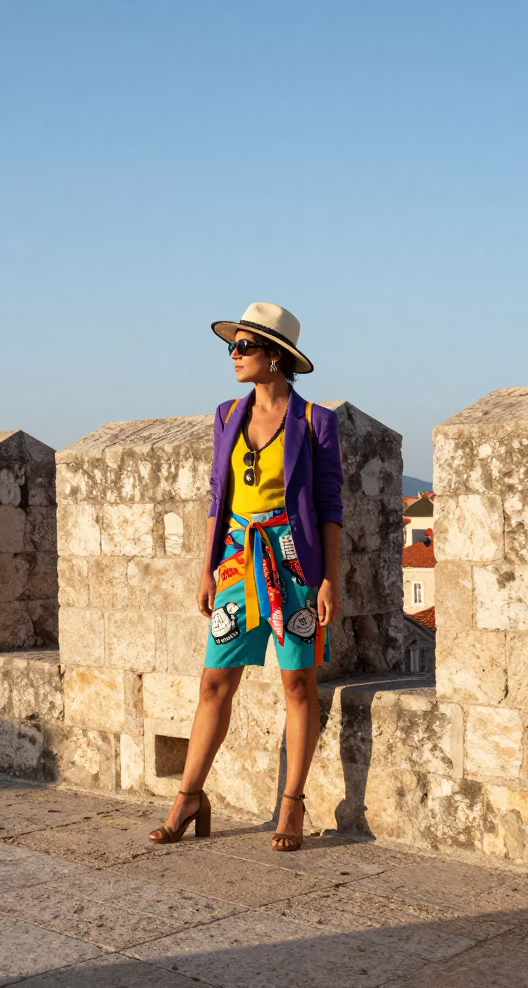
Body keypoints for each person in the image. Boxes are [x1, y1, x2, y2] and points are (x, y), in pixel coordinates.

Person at [148, 302, 343, 852]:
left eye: (244, 347)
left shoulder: (315, 422)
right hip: (237, 560)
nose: (233, 355)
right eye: (231, 346)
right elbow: (218, 494)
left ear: (275, 357)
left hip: (295, 563)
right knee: (215, 681)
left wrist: (329, 579)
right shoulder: (227, 415)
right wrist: (207, 567)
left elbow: (330, 505)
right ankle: (189, 797)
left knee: (297, 684)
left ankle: (292, 805)